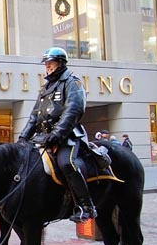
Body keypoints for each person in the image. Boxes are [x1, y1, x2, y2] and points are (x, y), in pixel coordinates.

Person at [17, 47, 97, 224]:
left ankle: (86, 205)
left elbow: (73, 110)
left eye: (50, 63)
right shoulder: (46, 88)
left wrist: (57, 134)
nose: (47, 67)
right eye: (46, 64)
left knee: (66, 163)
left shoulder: (72, 83)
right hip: (44, 137)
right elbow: (34, 116)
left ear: (60, 63)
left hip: (67, 136)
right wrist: (23, 138)